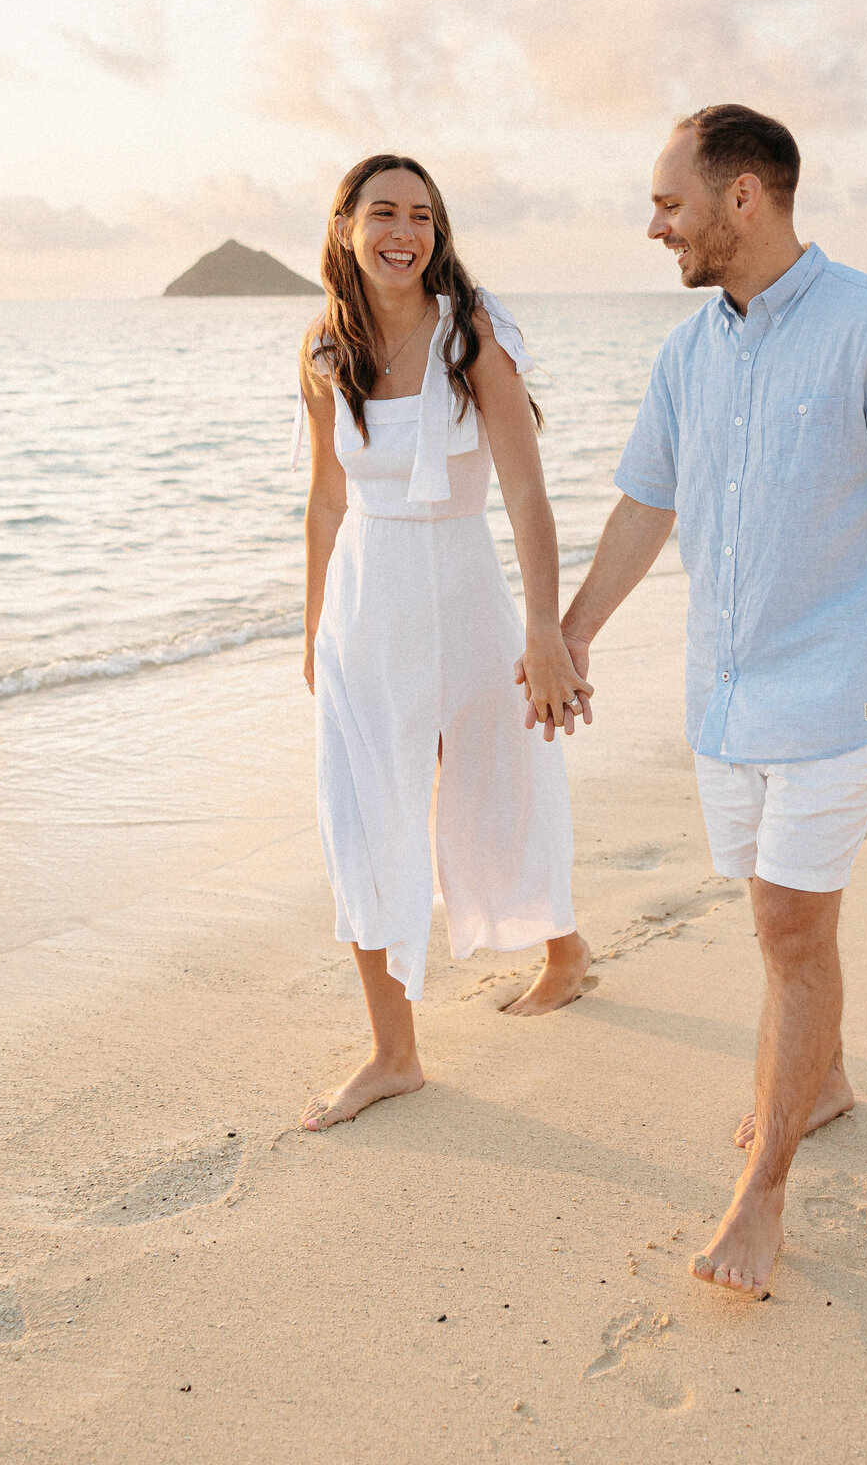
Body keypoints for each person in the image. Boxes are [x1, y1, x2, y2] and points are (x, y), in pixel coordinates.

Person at [552, 105, 867, 1294]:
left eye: (668, 201)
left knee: (789, 933)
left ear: (744, 196)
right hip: (725, 697)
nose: (655, 226)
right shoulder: (689, 353)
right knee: (778, 913)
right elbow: (649, 503)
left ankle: (765, 1196)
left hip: (840, 691)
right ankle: (830, 1078)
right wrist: (573, 632)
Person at [292, 153, 592, 1132]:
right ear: (347, 226)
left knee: (505, 776)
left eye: (423, 216)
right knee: (363, 814)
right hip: (365, 609)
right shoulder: (323, 353)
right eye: (384, 213)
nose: (405, 233)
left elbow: (526, 492)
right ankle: (394, 1053)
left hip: (464, 591)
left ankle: (565, 952)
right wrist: (311, 632)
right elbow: (327, 501)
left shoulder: (477, 334)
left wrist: (545, 631)